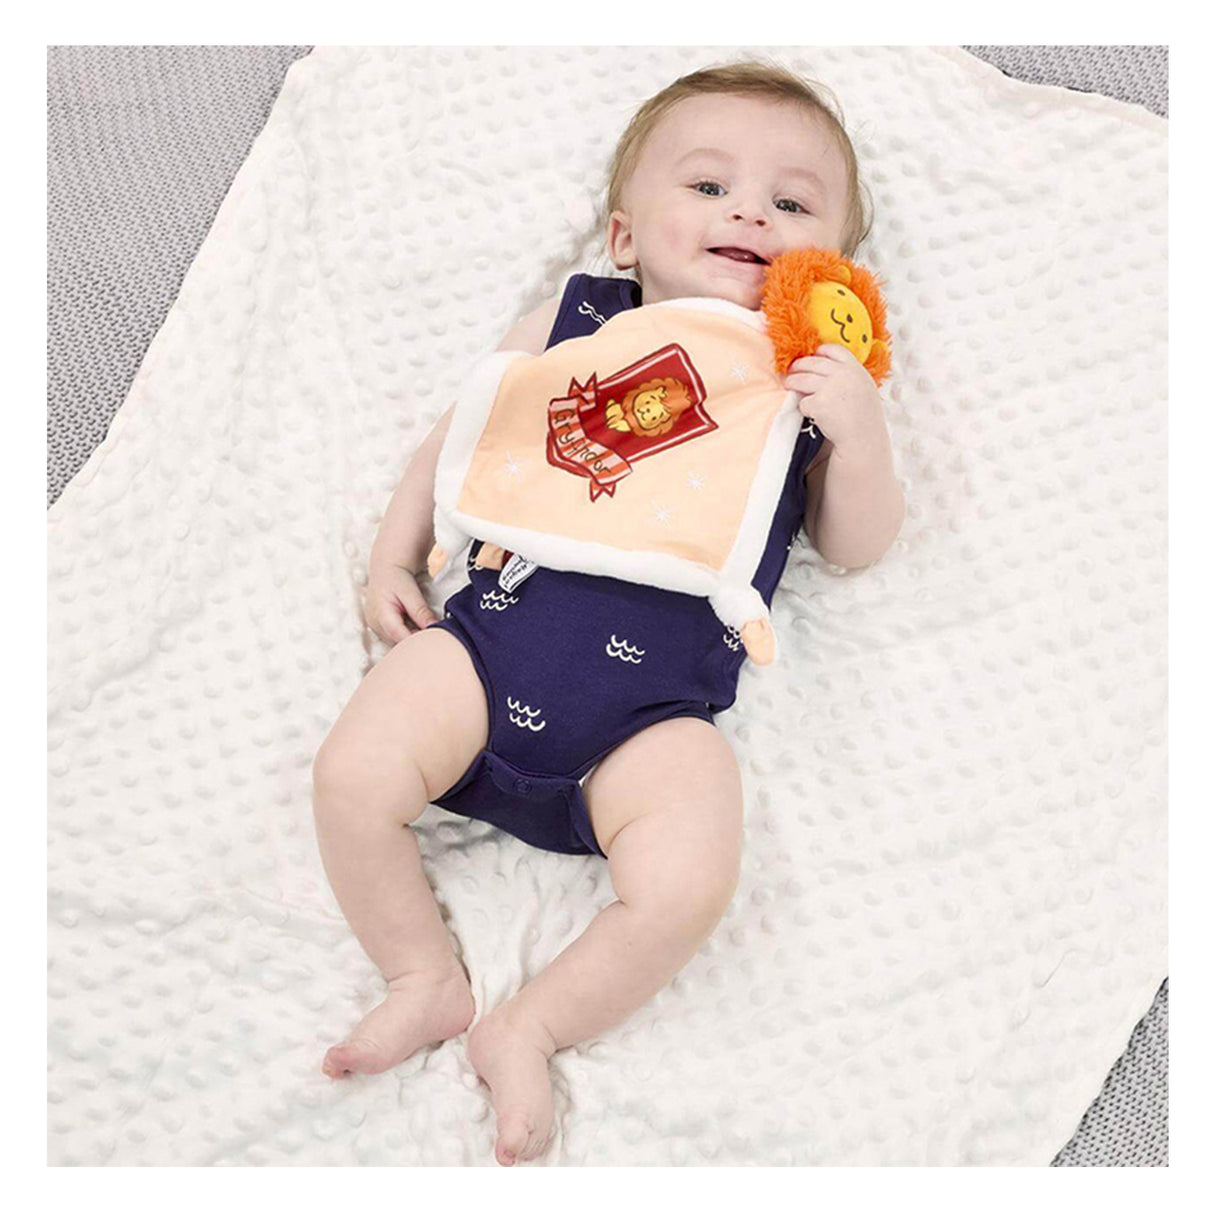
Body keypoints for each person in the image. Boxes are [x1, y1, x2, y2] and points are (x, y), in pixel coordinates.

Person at [311, 60, 906, 1166]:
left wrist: (858, 430)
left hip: (651, 718)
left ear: (827, 265)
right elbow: (465, 435)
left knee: (690, 879)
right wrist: (392, 555)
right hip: (489, 645)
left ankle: (528, 1024)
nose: (747, 211)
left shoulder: (804, 378)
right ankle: (422, 973)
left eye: (789, 202)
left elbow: (856, 546)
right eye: (709, 185)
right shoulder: (580, 318)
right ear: (626, 238)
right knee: (350, 776)